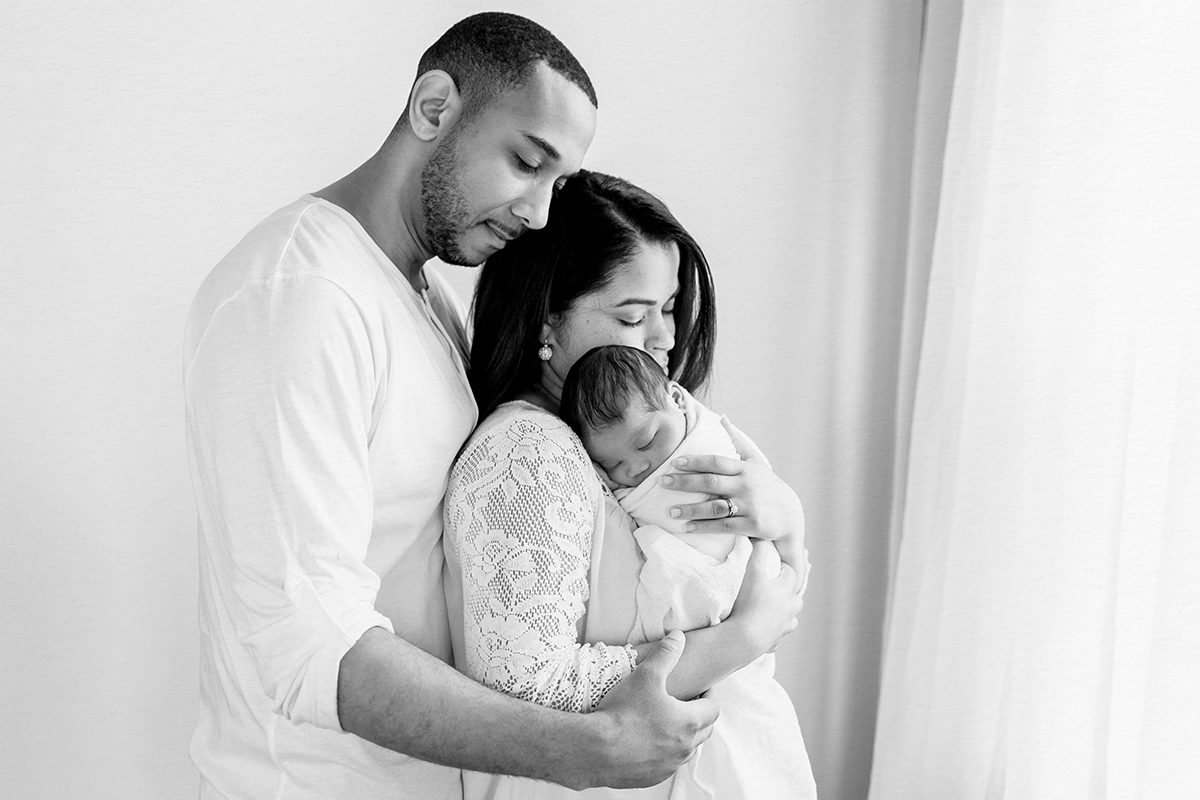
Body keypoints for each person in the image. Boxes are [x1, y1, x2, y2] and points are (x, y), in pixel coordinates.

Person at [183, 14, 718, 800]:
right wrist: (581, 746)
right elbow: (305, 638)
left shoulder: (422, 294)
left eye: (556, 185)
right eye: (525, 163)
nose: (538, 214)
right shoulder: (300, 300)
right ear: (435, 108)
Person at [443, 170, 816, 799]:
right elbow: (525, 684)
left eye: (669, 310)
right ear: (547, 323)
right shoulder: (527, 451)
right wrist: (741, 638)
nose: (665, 341)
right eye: (633, 315)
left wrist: (784, 516)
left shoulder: (638, 436)